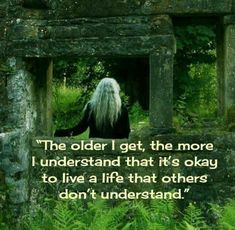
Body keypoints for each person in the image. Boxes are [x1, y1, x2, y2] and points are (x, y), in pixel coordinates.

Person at [54, 78, 130, 139]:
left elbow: (80, 128)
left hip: (95, 146)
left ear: (99, 91)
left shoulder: (91, 107)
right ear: (115, 91)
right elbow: (126, 132)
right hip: (116, 148)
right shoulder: (122, 109)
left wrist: (58, 133)